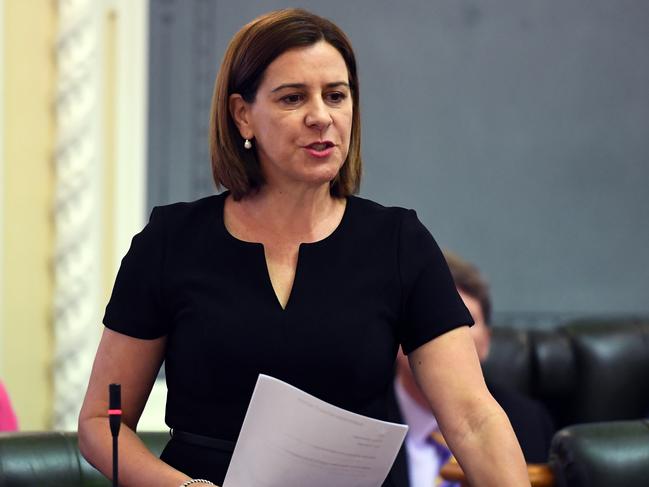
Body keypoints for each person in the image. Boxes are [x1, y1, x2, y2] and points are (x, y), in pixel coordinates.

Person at [78, 8, 530, 487]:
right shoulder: (171, 241)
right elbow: (101, 425)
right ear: (242, 115)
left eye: (336, 95)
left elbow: (474, 420)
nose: (321, 116)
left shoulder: (399, 243)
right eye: (293, 98)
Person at [389, 250, 555, 487]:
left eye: (464, 324)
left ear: (486, 342)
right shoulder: (361, 417)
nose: (446, 341)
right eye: (431, 322)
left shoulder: (528, 423)